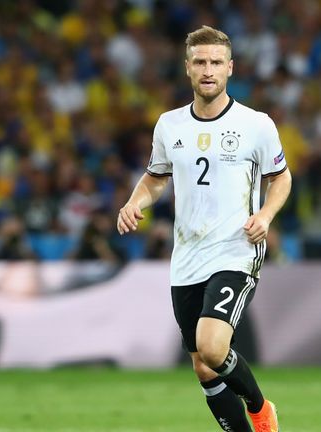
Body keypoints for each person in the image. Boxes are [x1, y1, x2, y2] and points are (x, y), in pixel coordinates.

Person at [117, 25, 291, 432]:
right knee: (202, 365)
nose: (208, 70)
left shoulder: (256, 125)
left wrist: (264, 216)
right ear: (187, 69)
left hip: (236, 250)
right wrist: (133, 201)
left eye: (216, 62)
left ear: (230, 68)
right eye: (200, 62)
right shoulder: (169, 126)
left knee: (213, 348)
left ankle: (260, 407)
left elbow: (280, 178)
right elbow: (155, 178)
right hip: (187, 256)